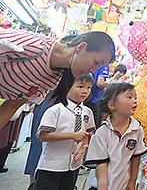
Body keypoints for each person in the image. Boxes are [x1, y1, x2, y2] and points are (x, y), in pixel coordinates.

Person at [0, 29, 115, 130]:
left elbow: (12, 105)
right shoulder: (37, 46)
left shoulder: (54, 79)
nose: (93, 71)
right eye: (96, 63)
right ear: (81, 47)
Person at [24, 31, 80, 190]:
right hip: (48, 100)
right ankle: (34, 181)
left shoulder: (73, 69)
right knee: (40, 139)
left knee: (62, 141)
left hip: (63, 103)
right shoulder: (50, 60)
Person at [33, 73, 96, 190]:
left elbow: (89, 132)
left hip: (73, 166)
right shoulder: (55, 110)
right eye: (80, 86)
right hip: (51, 166)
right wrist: (72, 135)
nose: (85, 91)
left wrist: (85, 145)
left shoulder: (88, 112)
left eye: (89, 87)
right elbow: (43, 135)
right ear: (67, 87)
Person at [84, 83, 147, 190]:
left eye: (136, 97)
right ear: (112, 105)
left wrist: (132, 181)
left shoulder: (137, 129)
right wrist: (103, 184)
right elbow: (101, 162)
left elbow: (136, 157)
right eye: (129, 97)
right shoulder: (102, 132)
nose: (135, 100)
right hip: (99, 185)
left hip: (122, 184)